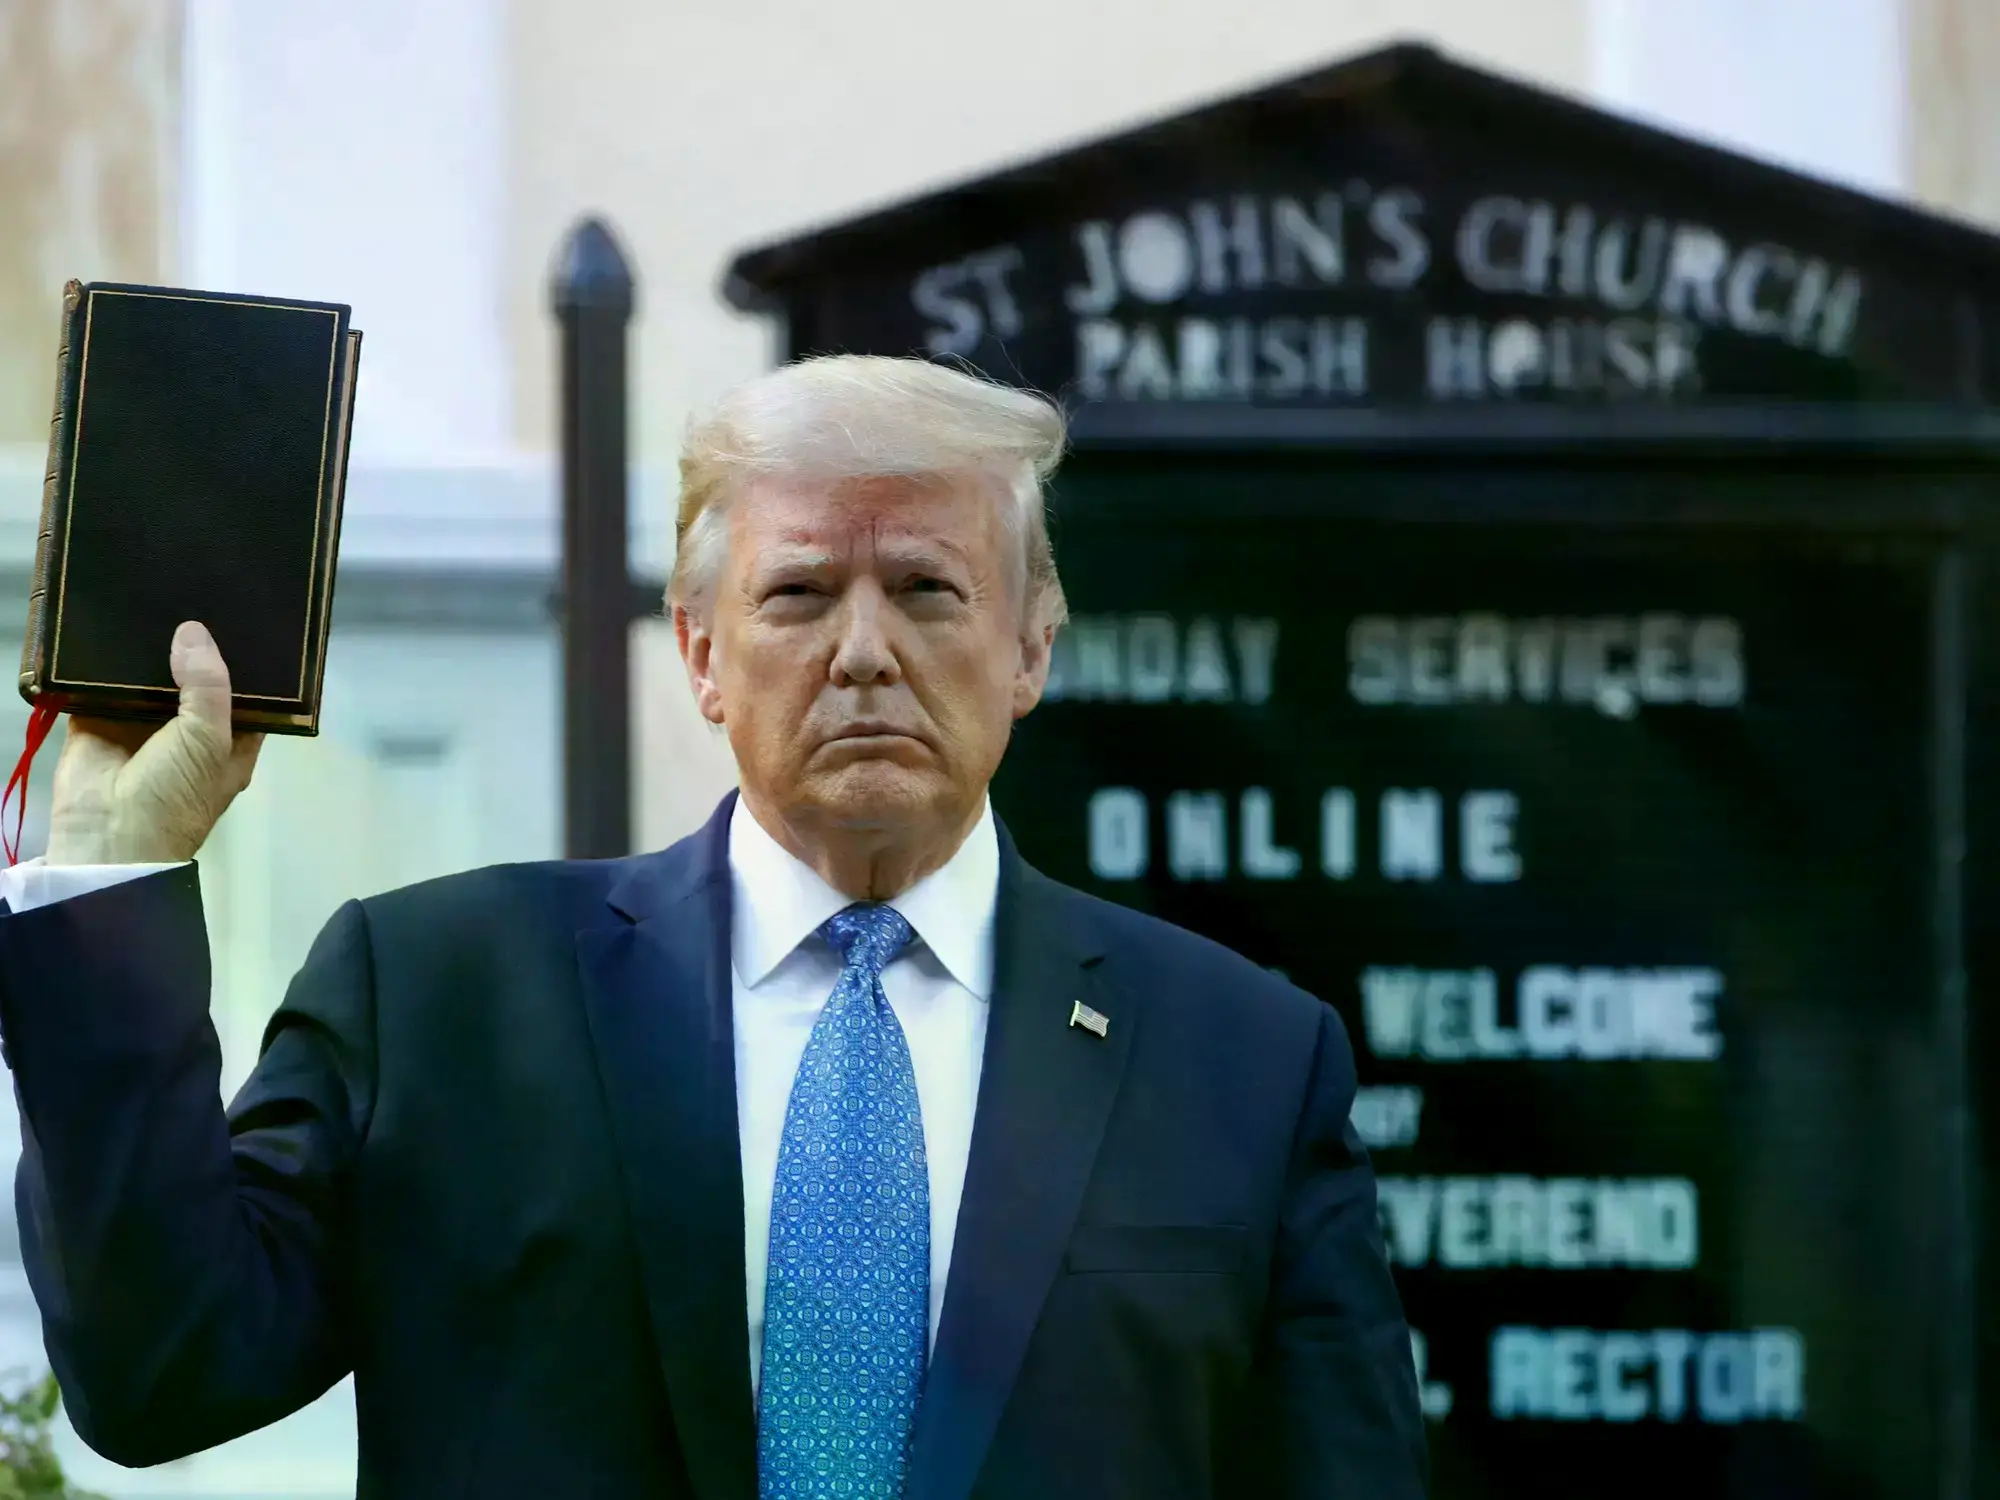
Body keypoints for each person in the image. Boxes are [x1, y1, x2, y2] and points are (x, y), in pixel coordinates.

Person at [0, 355, 1428, 1498]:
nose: (863, 649)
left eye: (927, 589)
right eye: (800, 592)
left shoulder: (1240, 1057)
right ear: (700, 653)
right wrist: (110, 884)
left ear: (1031, 648)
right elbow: (162, 1372)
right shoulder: (443, 997)